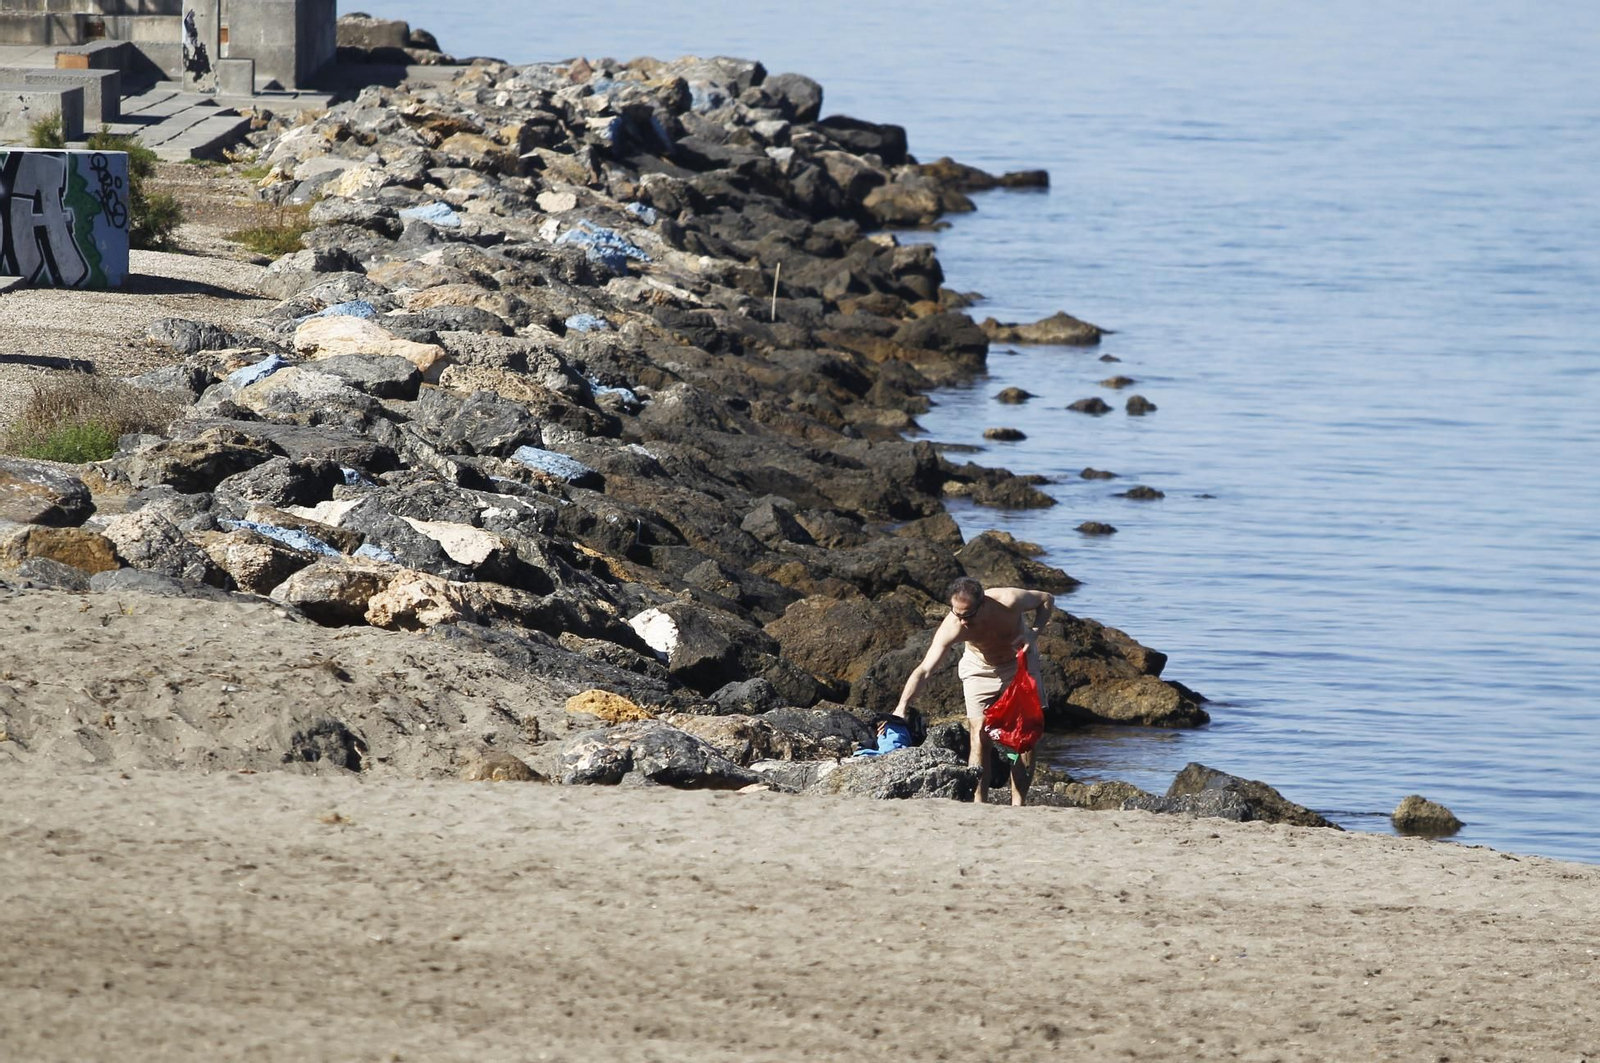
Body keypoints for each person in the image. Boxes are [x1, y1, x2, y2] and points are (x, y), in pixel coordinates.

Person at [890, 576, 1053, 805]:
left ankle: (1018, 804)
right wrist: (901, 707)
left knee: (1023, 737)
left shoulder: (1009, 600)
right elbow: (925, 670)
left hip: (1018, 664)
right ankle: (979, 803)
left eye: (968, 614)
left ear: (983, 603)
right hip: (978, 669)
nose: (962, 620)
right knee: (979, 735)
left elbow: (1047, 599)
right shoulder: (953, 625)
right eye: (957, 613)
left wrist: (1033, 633)